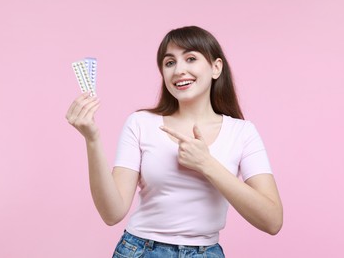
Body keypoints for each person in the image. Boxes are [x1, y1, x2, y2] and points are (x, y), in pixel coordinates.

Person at [66, 26, 283, 258]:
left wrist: (207, 164)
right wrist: (92, 139)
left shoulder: (242, 133)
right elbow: (112, 213)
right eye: (169, 63)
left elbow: (272, 221)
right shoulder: (140, 123)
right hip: (140, 250)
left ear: (216, 67)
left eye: (190, 58)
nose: (179, 70)